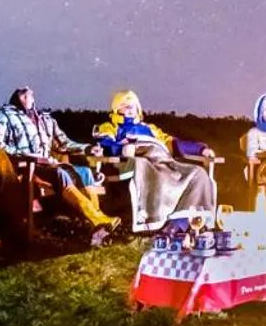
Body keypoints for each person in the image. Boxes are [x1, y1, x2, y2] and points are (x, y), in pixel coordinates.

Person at [0, 86, 115, 234]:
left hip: (48, 164)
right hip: (27, 166)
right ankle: (98, 219)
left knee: (85, 173)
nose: (27, 95)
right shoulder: (6, 116)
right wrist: (25, 154)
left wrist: (88, 148)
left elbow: (64, 143)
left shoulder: (46, 119)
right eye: (22, 95)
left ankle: (97, 229)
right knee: (61, 174)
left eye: (29, 94)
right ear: (15, 99)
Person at [92, 89, 217, 232]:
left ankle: (181, 222)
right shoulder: (110, 127)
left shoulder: (149, 128)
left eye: (133, 105)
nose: (130, 109)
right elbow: (106, 144)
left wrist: (200, 149)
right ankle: (153, 221)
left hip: (163, 161)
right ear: (116, 109)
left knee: (197, 172)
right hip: (133, 162)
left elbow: (171, 143)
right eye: (125, 105)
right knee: (147, 168)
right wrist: (122, 149)